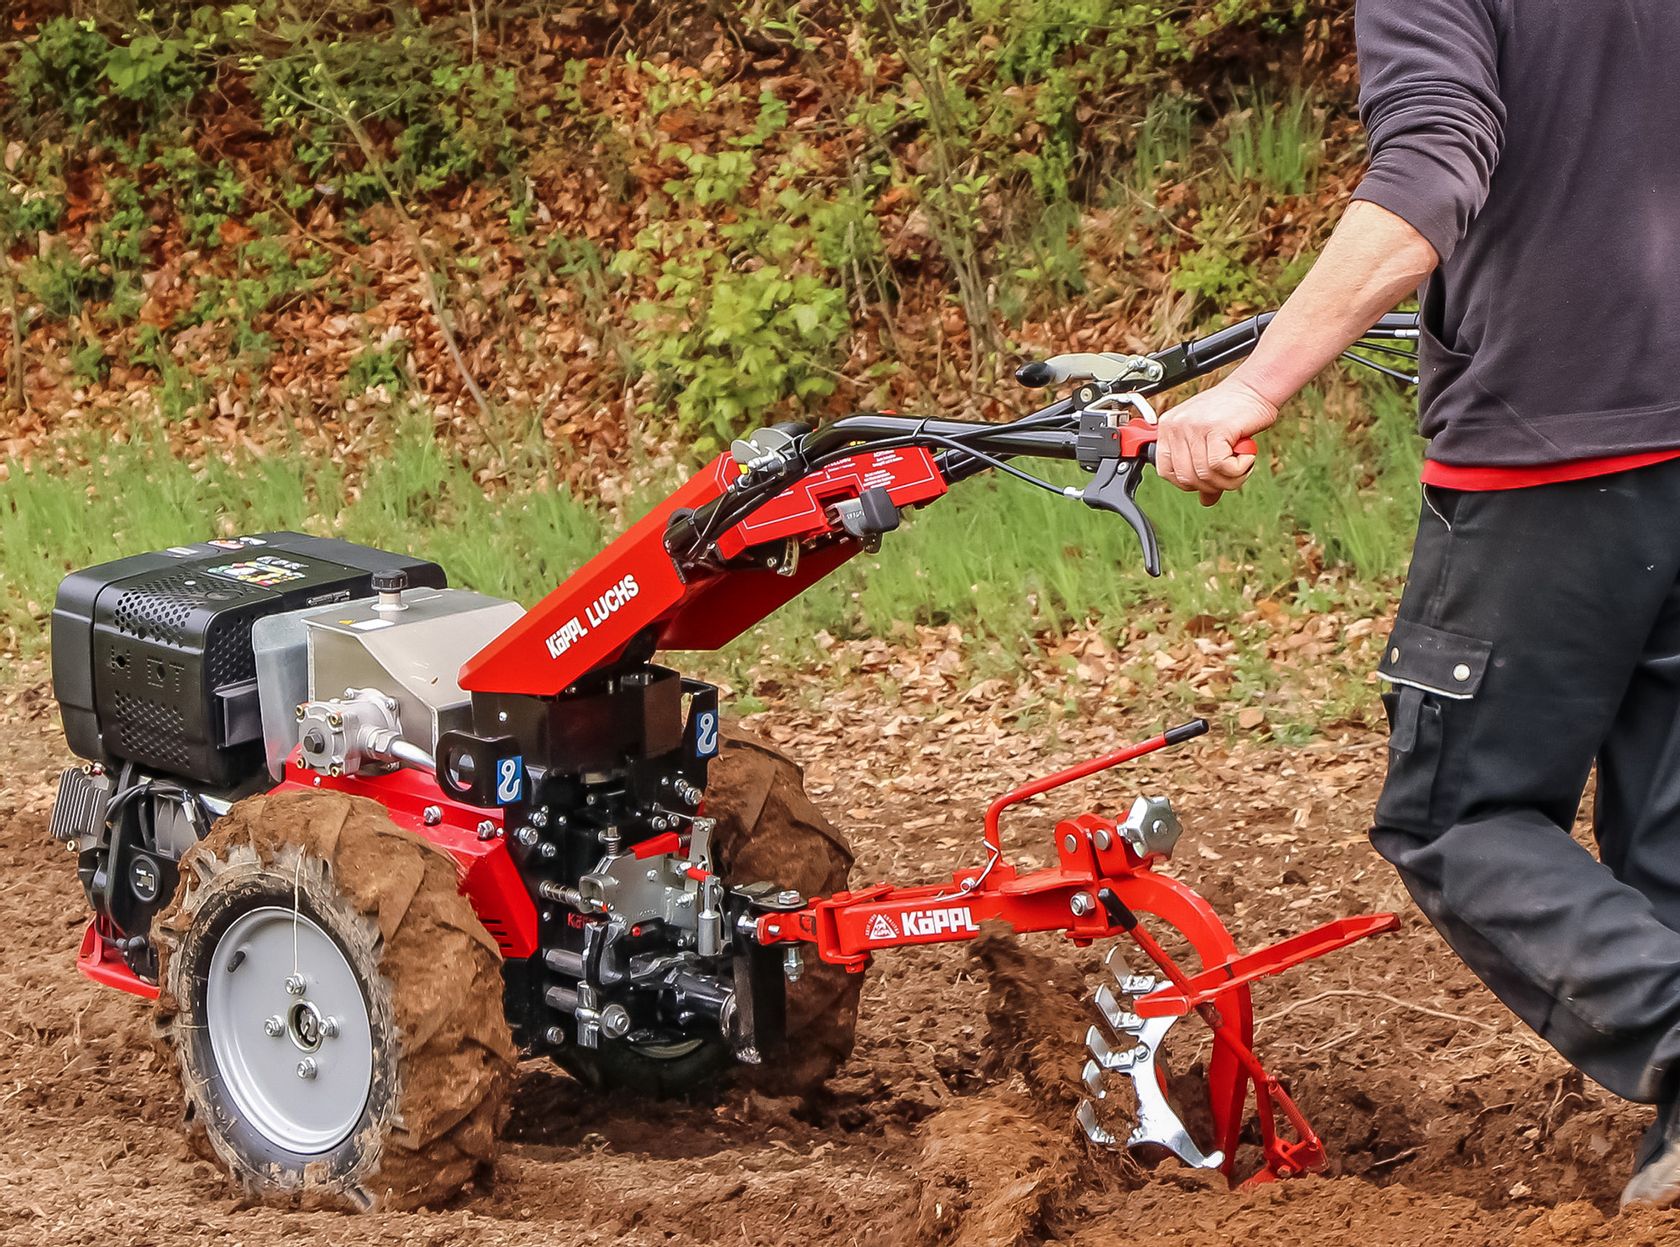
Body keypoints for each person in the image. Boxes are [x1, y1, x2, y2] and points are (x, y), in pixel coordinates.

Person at [1151, 0, 1680, 1208]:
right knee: (1667, 838)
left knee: (1459, 815)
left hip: (1553, 454)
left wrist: (1255, 386)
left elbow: (1432, 160)